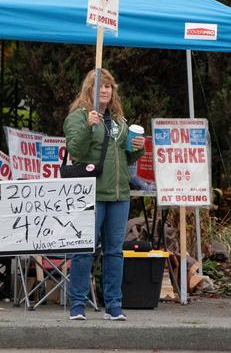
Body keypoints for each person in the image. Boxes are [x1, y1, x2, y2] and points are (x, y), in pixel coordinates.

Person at [62, 69, 144, 321]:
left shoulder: (119, 120)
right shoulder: (78, 117)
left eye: (109, 87)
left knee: (114, 251)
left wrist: (137, 150)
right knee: (84, 250)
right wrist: (88, 127)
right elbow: (75, 150)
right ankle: (77, 304)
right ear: (89, 90)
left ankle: (114, 305)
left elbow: (124, 157)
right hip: (92, 192)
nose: (106, 91)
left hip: (119, 194)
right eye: (100, 87)